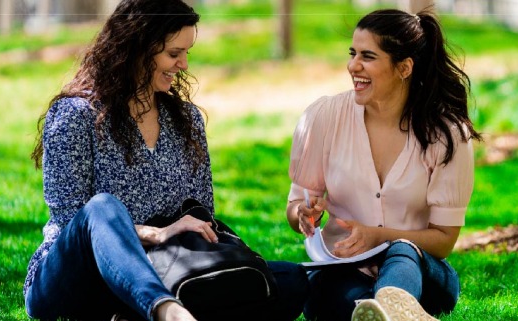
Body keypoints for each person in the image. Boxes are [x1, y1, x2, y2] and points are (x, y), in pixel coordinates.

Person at [23, 1, 308, 320]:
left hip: (164, 267)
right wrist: (155, 233)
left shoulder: (185, 120)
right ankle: (165, 310)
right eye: (174, 54)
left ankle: (137, 311)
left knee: (290, 280)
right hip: (76, 277)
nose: (184, 65)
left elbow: (200, 213)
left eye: (187, 53)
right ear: (136, 49)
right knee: (102, 207)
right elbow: (70, 221)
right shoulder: (76, 116)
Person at [285, 8, 481, 321]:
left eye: (368, 56)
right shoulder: (324, 117)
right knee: (323, 296)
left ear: (404, 68)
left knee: (401, 250)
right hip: (345, 268)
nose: (353, 66)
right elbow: (297, 206)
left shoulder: (447, 135)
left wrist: (379, 237)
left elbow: (444, 240)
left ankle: (394, 306)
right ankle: (386, 314)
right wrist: (302, 214)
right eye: (352, 53)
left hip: (422, 273)